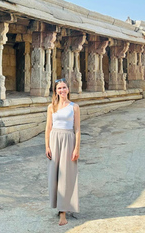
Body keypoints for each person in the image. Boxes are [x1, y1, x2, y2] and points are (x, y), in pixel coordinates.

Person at [45, 78, 81, 226]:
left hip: (68, 140)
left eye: (64, 87)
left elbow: (77, 129)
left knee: (66, 176)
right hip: (54, 140)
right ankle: (58, 207)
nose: (62, 90)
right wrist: (47, 146)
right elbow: (48, 128)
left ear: (68, 89)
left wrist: (77, 148)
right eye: (59, 88)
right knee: (54, 175)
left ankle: (63, 212)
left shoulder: (74, 107)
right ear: (56, 91)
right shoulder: (51, 107)